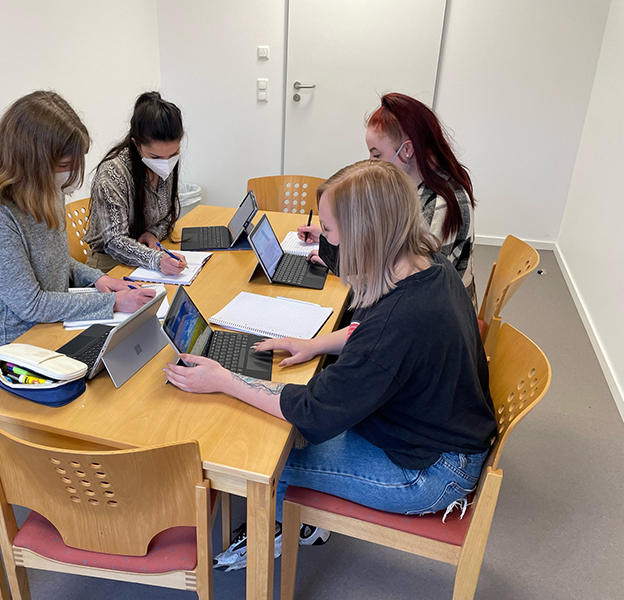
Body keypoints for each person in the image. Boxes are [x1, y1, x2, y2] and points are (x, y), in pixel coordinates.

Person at [164, 160, 496, 571]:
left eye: (330, 230)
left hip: (430, 472)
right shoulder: (427, 263)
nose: (325, 241)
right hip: (436, 430)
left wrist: (224, 379)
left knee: (266, 461)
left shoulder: (401, 320)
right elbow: (377, 339)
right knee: (280, 430)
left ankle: (288, 530)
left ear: (364, 234)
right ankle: (297, 522)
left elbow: (315, 412)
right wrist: (315, 344)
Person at [0, 91, 155, 376]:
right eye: (64, 166)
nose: (70, 174)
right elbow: (31, 304)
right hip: (2, 355)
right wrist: (111, 302)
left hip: (50, 331)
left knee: (131, 365)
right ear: (29, 162)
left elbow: (57, 260)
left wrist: (99, 279)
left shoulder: (47, 190)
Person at [299, 92, 478, 308]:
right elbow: (386, 244)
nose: (371, 163)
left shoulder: (440, 204)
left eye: (376, 155)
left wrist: (339, 264)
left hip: (434, 312)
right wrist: (332, 237)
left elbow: (407, 284)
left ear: (407, 150)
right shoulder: (410, 188)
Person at [84, 91, 188, 275]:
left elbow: (168, 213)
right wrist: (156, 260)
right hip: (110, 264)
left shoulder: (164, 164)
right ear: (136, 144)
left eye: (173, 154)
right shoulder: (113, 173)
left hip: (148, 256)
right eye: (155, 156)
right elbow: (115, 241)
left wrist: (153, 233)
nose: (166, 163)